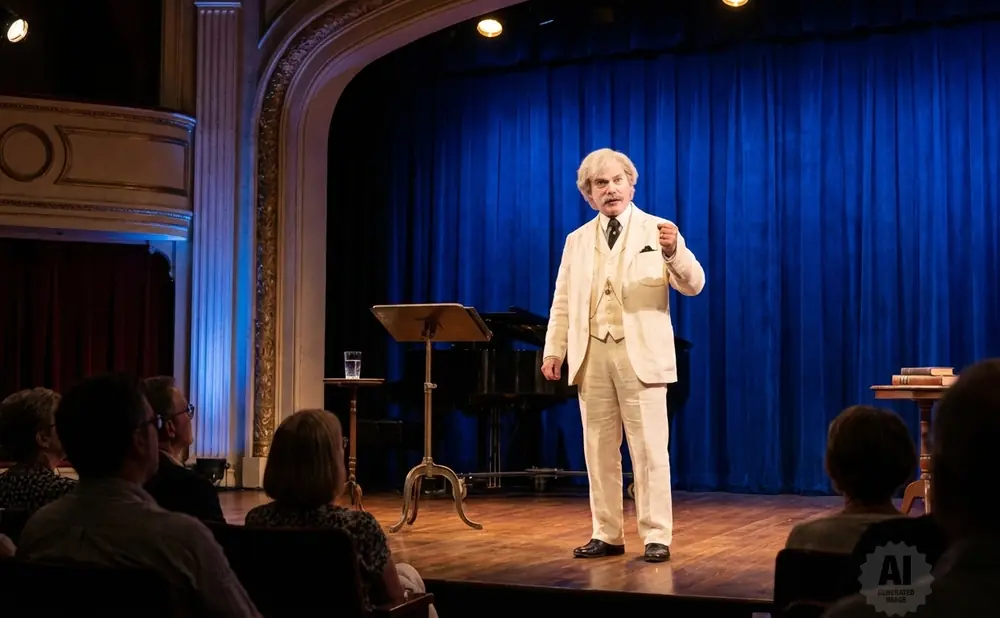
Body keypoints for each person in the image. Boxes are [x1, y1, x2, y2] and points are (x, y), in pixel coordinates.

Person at [541, 148, 705, 562]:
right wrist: (554, 350)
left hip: (641, 355)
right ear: (588, 195)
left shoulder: (659, 230)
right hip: (592, 354)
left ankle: (656, 535)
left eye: (617, 181)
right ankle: (607, 533)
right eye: (601, 184)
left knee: (649, 450)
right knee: (598, 450)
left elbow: (694, 284)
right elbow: (562, 301)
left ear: (632, 185)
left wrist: (673, 252)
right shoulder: (577, 241)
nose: (610, 189)